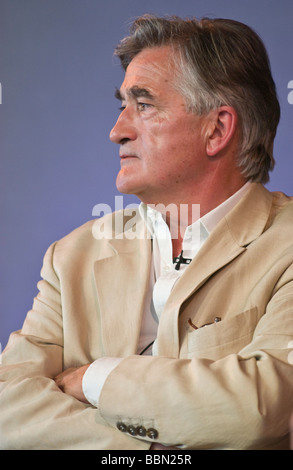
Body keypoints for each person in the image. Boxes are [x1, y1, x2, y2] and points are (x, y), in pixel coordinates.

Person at [0, 15, 292, 450]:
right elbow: (8, 406)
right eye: (122, 105)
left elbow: (261, 405)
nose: (117, 131)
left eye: (144, 104)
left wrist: (94, 379)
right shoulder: (71, 256)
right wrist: (156, 453)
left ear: (217, 129)